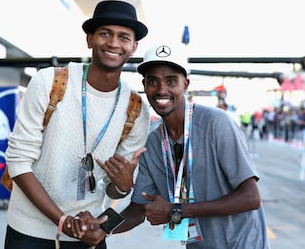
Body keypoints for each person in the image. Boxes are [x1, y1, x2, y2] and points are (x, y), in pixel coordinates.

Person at [4, 0, 150, 249]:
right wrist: (62, 221)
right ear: (89, 39)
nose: (114, 43)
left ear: (133, 46)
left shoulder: (135, 109)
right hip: (29, 231)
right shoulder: (50, 82)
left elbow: (113, 191)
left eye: (123, 37)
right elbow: (18, 161)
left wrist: (124, 186)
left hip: (88, 232)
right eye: (105, 33)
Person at [109, 44, 271, 248]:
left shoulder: (216, 124)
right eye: (153, 81)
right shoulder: (153, 143)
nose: (161, 89)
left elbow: (250, 198)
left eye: (171, 81)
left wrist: (178, 210)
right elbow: (136, 211)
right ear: (144, 85)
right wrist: (101, 227)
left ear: (185, 84)